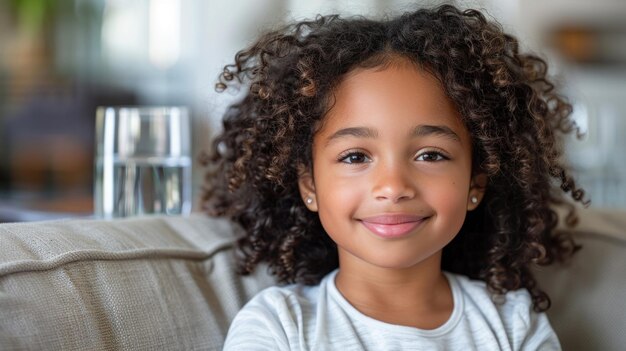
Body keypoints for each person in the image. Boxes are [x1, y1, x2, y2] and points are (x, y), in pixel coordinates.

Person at [202, 4, 587, 350]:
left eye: (430, 154)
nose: (393, 186)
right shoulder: (279, 327)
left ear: (475, 183)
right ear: (309, 186)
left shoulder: (512, 323)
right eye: (355, 156)